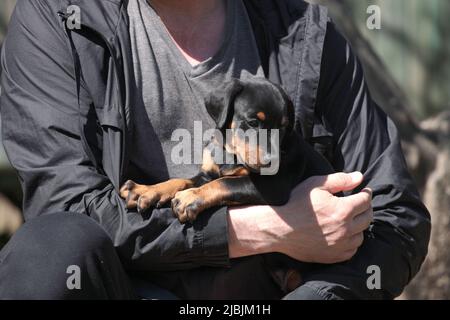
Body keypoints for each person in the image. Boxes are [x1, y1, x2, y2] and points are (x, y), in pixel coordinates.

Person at [0, 0, 430, 300]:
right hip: (125, 288)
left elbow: (397, 217)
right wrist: (265, 228)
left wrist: (316, 294)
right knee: (49, 250)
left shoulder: (306, 33)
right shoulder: (59, 20)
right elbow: (66, 204)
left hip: (278, 292)